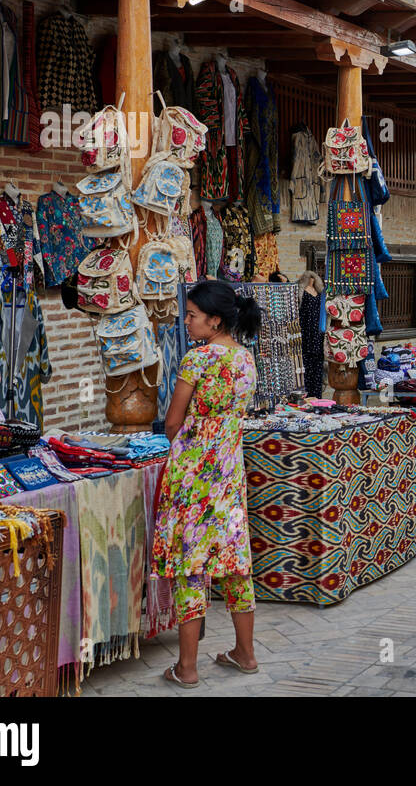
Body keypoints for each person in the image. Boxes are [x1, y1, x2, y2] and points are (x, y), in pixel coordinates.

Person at [152, 280, 261, 688]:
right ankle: (245, 654)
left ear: (215, 320)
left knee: (190, 566)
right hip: (229, 478)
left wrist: (187, 447)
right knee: (235, 564)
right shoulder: (246, 359)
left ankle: (187, 668)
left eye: (193, 315)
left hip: (194, 480)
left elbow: (173, 421)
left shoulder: (198, 360)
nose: (187, 321)